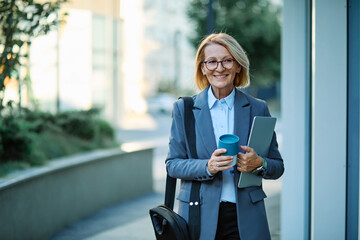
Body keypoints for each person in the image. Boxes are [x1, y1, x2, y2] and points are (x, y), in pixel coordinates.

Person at [165, 33, 284, 240]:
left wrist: (258, 163)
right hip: (198, 215)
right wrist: (207, 166)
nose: (219, 68)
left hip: (246, 217)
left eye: (227, 60)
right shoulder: (185, 109)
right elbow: (173, 164)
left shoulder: (258, 108)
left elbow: (277, 166)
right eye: (211, 62)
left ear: (238, 66)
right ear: (203, 67)